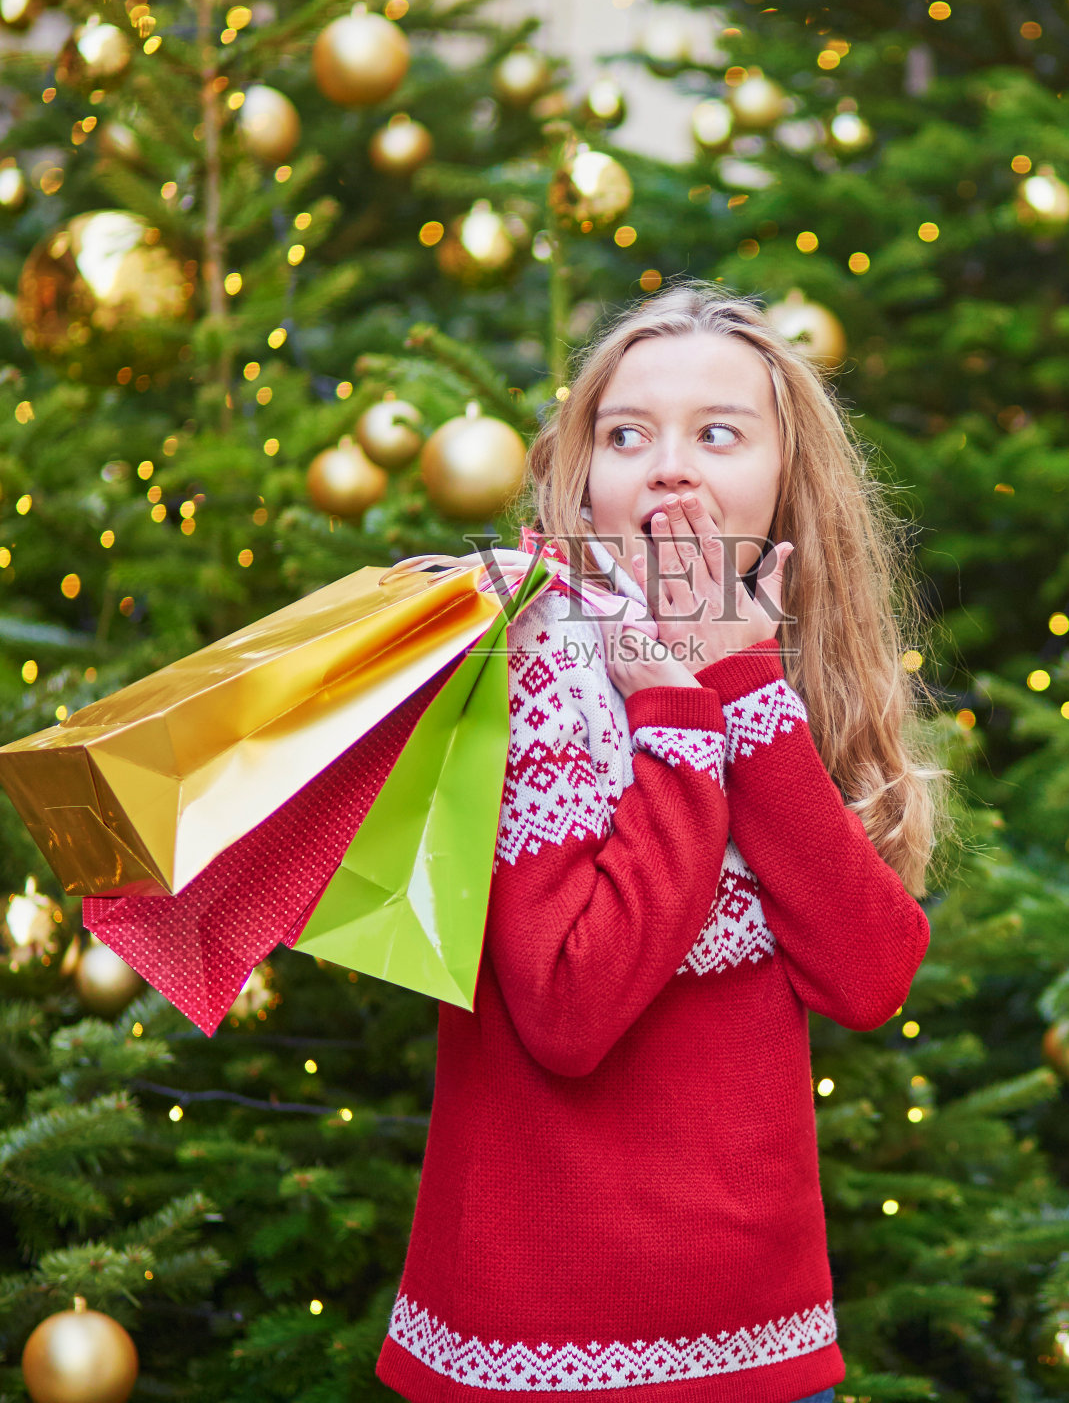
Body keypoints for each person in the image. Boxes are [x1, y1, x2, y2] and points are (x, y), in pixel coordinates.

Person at [376, 283, 940, 1403]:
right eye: (627, 435)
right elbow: (569, 1009)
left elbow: (869, 975)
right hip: (531, 1345)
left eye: (717, 434)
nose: (669, 467)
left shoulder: (796, 664)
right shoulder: (515, 667)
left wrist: (738, 678)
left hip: (763, 1345)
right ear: (581, 473)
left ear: (788, 480)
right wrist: (676, 712)